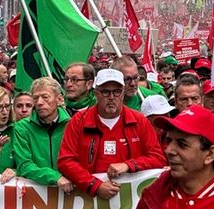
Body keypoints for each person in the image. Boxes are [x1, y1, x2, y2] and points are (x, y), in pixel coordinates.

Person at [58, 69, 166, 199]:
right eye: (105, 92)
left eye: (116, 91)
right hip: (90, 199)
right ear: (96, 94)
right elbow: (66, 161)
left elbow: (158, 158)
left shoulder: (139, 121)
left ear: (123, 93)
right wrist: (95, 185)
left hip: (129, 200)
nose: (111, 97)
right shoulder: (78, 121)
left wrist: (129, 165)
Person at [13, 77, 72, 190]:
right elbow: (24, 165)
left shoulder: (72, 124)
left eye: (45, 97)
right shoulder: (22, 127)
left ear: (59, 99)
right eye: (35, 98)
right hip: (36, 193)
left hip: (68, 191)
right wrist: (55, 177)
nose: (39, 102)